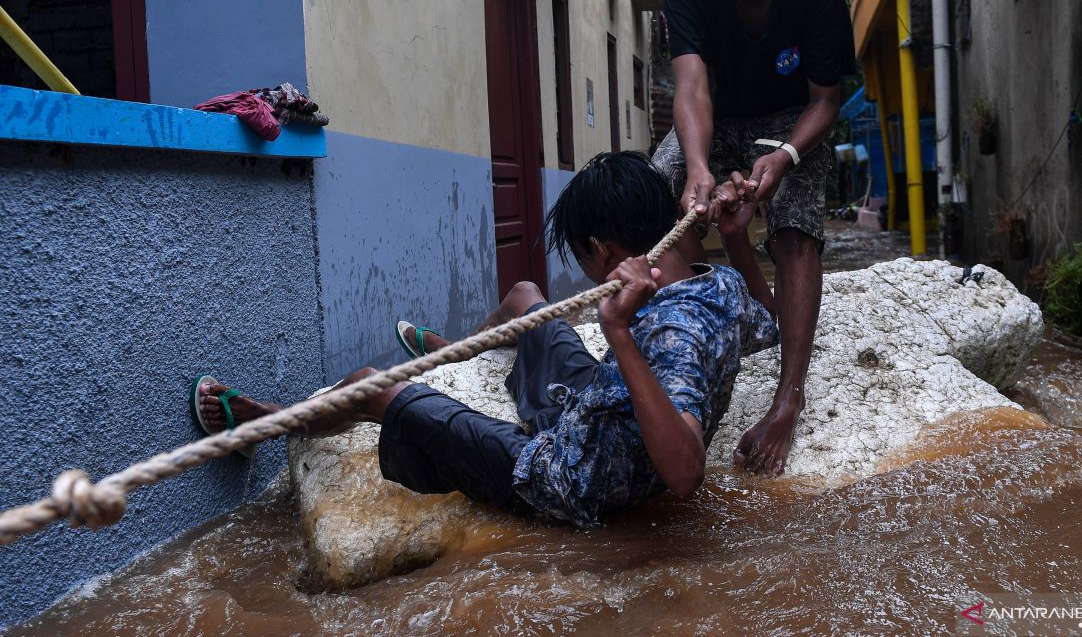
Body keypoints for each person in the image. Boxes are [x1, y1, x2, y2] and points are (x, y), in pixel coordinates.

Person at [195, 152, 777, 528]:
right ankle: (455, 350)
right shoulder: (718, 282)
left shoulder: (669, 330)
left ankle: (265, 423)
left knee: (371, 388)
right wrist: (738, 239)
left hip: (568, 474)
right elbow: (768, 322)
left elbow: (683, 474)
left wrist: (618, 332)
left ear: (603, 252)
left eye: (582, 255)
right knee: (526, 295)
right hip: (600, 405)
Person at [651, 0, 855, 476]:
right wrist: (697, 167)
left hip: (789, 123)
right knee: (654, 193)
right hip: (716, 121)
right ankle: (712, 327)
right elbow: (691, 89)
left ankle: (788, 395)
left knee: (795, 221)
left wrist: (788, 155)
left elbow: (827, 98)